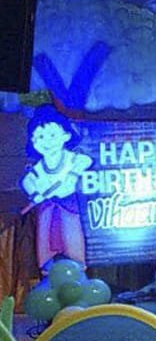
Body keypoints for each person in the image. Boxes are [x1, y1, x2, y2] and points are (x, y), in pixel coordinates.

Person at [22, 106, 91, 268]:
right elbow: (27, 181)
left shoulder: (72, 159)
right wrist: (36, 193)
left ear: (66, 135)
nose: (47, 141)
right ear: (33, 142)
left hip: (69, 210)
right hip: (47, 210)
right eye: (40, 137)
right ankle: (47, 268)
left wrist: (72, 176)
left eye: (52, 135)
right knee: (45, 241)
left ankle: (76, 266)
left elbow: (85, 161)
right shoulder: (38, 168)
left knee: (71, 239)